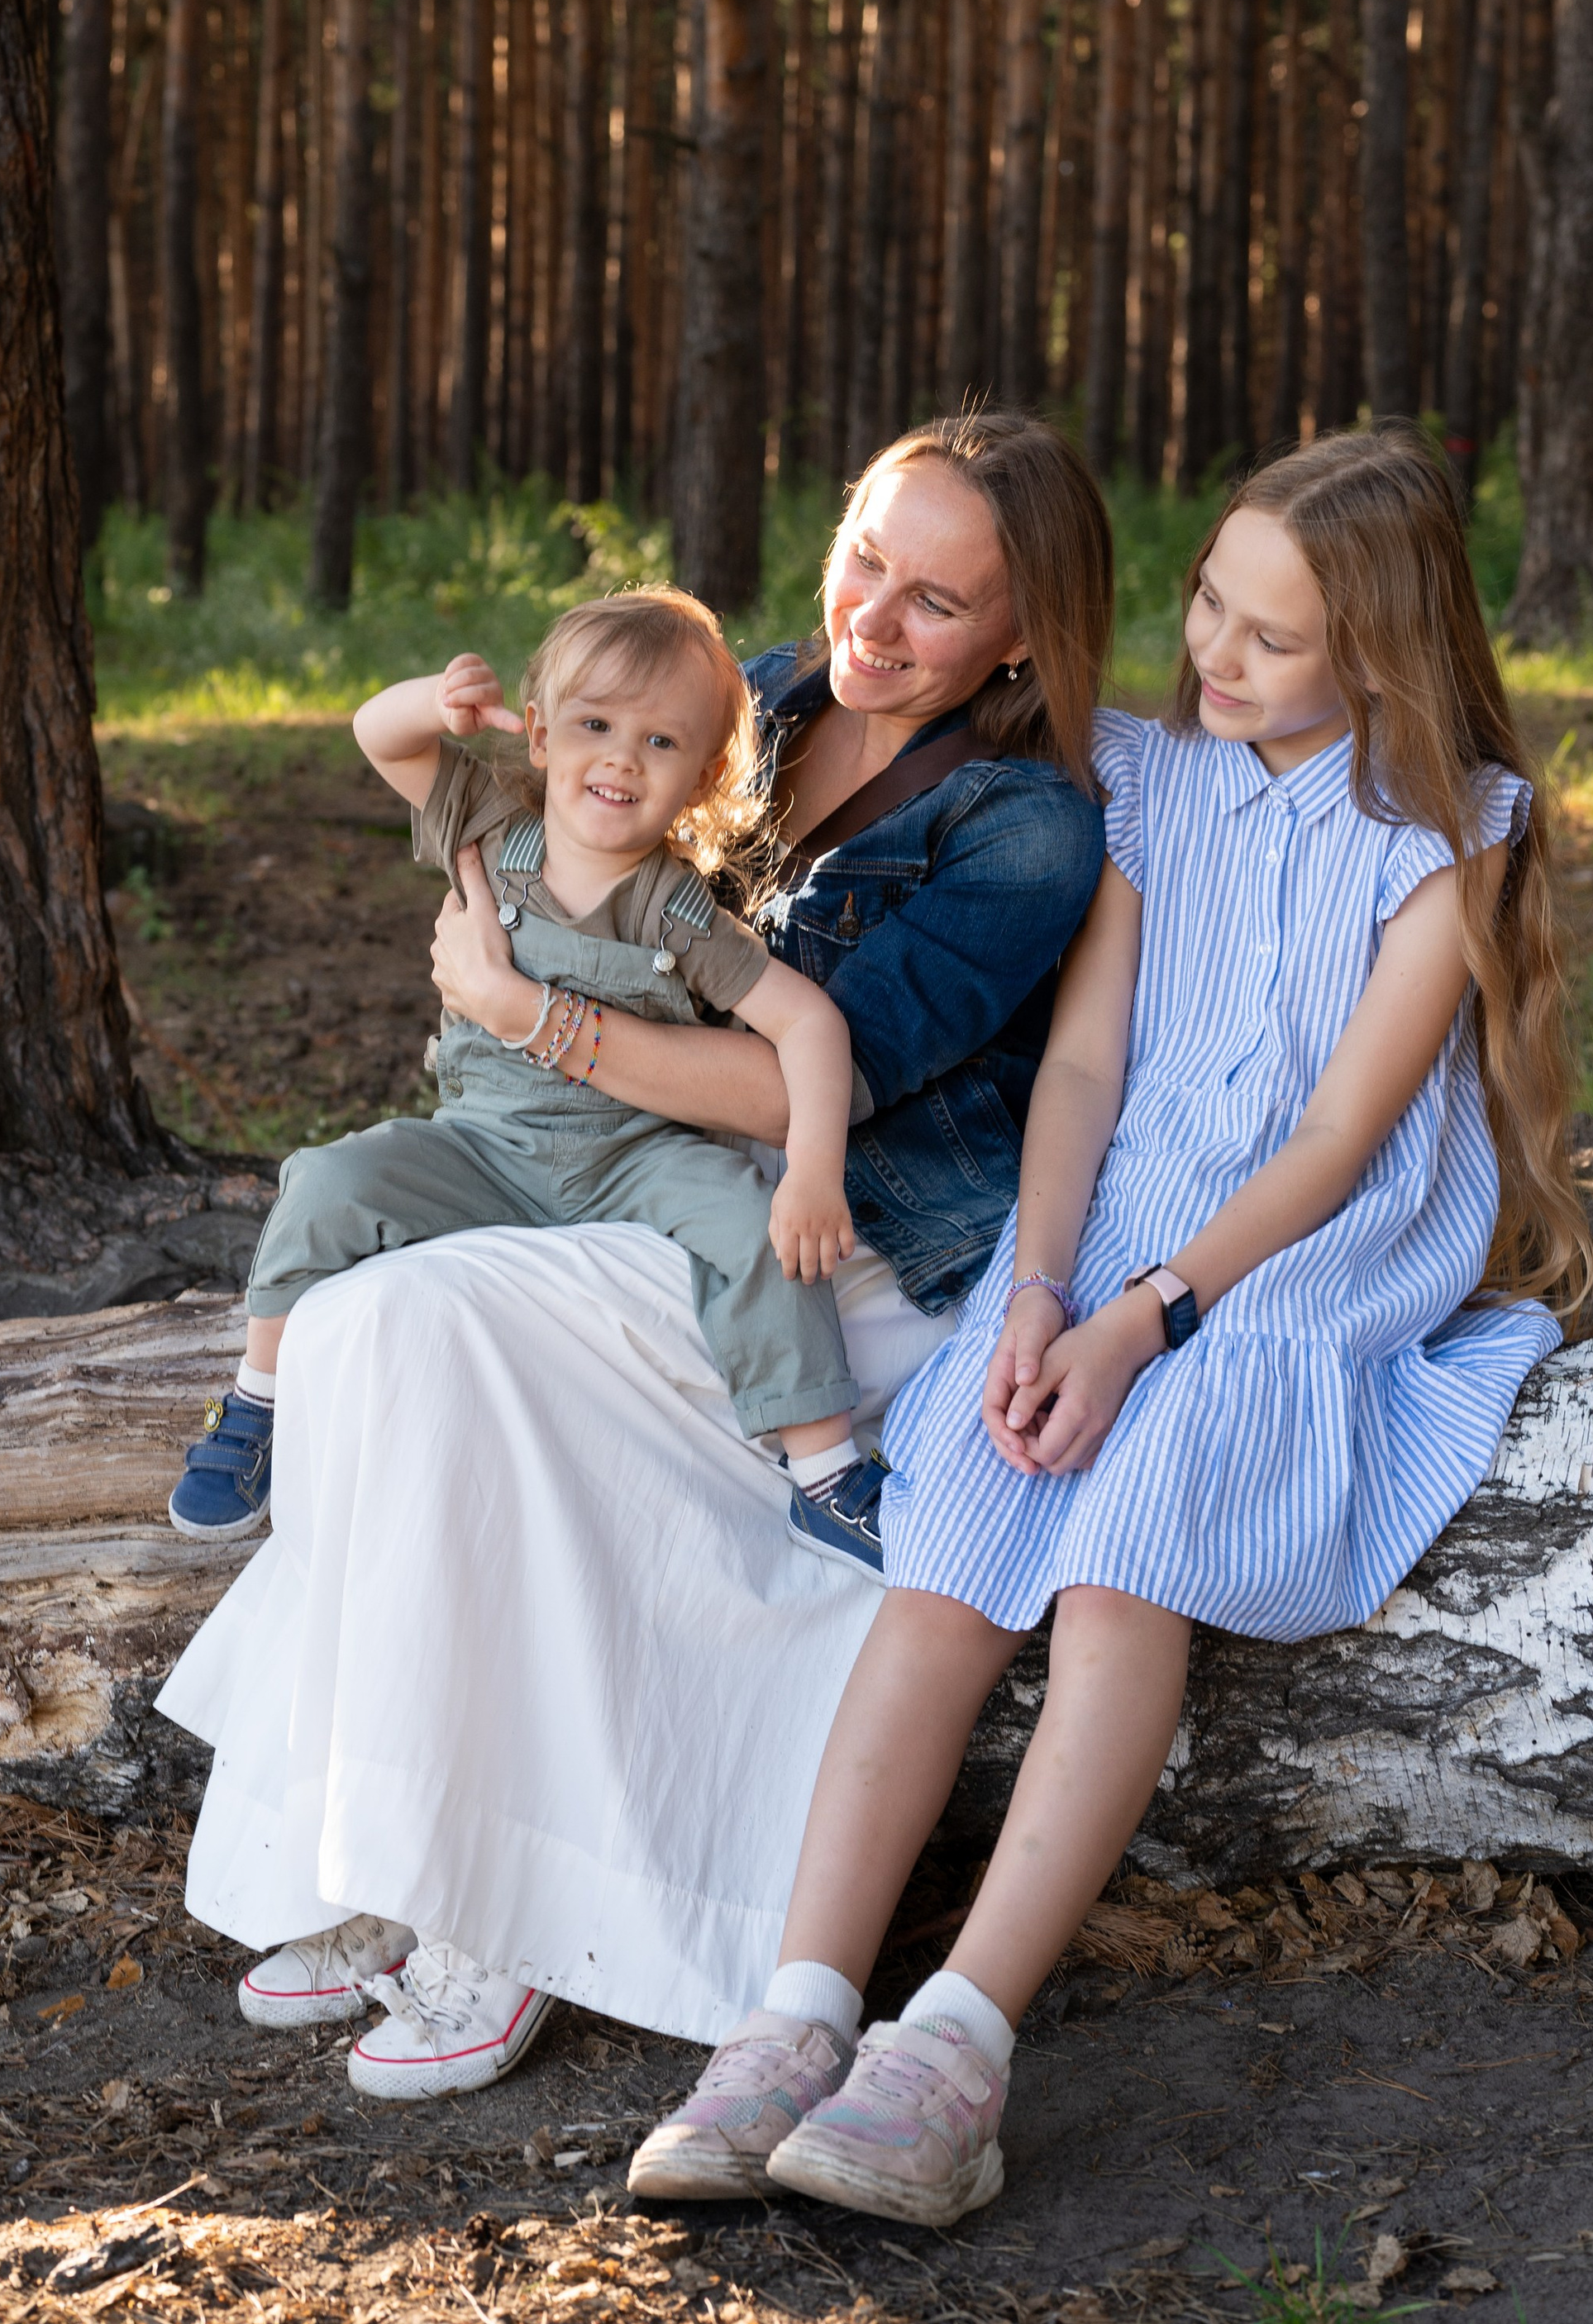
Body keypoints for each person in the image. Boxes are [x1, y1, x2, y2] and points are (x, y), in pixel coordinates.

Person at [629, 423, 1592, 2230]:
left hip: (1292, 1258)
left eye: (1270, 638)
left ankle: (955, 2044)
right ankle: (793, 2014)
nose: (1213, 653)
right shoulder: (1151, 787)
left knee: (1117, 1563)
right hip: (1111, 1223)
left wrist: (1145, 1321)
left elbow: (1338, 1138)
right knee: (945, 1562)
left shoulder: (1446, 833)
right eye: (1208, 603)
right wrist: (1040, 1286)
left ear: (1382, 654)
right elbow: (1082, 1069)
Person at [155, 408, 1114, 2097]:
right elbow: (536, 823)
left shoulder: (1022, 825)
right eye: (865, 560)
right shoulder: (754, 695)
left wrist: (523, 1013)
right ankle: (386, 1846)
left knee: (431, 1330)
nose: (874, 619)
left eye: (939, 603)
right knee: (360, 1319)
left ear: (1024, 633)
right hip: (619, 1175)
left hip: (829, 1241)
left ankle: (515, 1905)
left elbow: (813, 1075)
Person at [167, 586, 875, 1559]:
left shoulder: (678, 913)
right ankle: (259, 1401)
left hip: (635, 1156)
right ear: (539, 734)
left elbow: (809, 1022)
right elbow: (379, 736)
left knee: (758, 1227)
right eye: (595, 725)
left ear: (704, 774)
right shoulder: (495, 829)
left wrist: (813, 1171)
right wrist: (433, 702)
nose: (621, 758)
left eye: (660, 741)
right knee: (326, 1181)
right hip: (482, 1145)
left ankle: (825, 1471)